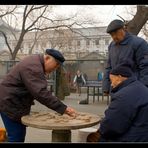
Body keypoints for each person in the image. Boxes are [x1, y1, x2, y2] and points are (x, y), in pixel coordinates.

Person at [0, 48, 76, 142]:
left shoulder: (35, 62)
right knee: (16, 137)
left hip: (12, 102)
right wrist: (63, 108)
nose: (55, 69)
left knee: (17, 135)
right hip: (10, 103)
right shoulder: (33, 67)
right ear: (47, 58)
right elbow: (40, 93)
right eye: (56, 65)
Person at [87, 62, 148, 142]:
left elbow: (110, 127)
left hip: (132, 139)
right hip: (142, 135)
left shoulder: (124, 95)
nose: (111, 84)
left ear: (119, 77)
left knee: (92, 138)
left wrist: (100, 131)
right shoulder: (140, 87)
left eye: (112, 80)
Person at [102, 19, 148, 95]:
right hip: (116, 90)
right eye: (111, 35)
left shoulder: (139, 43)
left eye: (115, 33)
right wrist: (106, 87)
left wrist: (142, 89)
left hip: (133, 91)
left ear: (123, 29)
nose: (114, 37)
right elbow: (109, 67)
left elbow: (145, 68)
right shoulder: (111, 46)